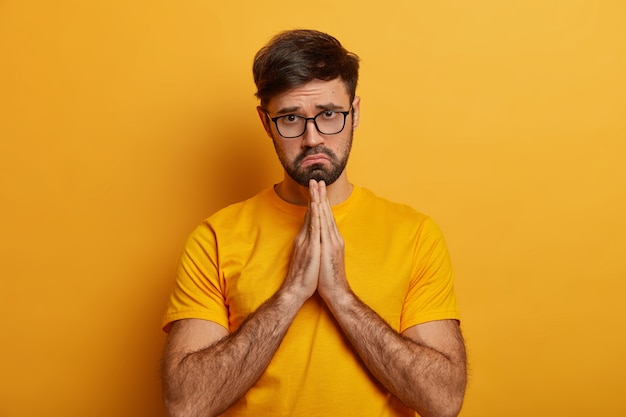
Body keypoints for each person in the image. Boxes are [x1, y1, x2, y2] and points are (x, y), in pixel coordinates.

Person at [161, 29, 467, 417]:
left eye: (328, 115)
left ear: (354, 113)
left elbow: (444, 402)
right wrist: (291, 293)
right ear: (265, 122)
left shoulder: (415, 234)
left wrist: (340, 295)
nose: (311, 138)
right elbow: (186, 405)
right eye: (290, 118)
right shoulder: (216, 238)